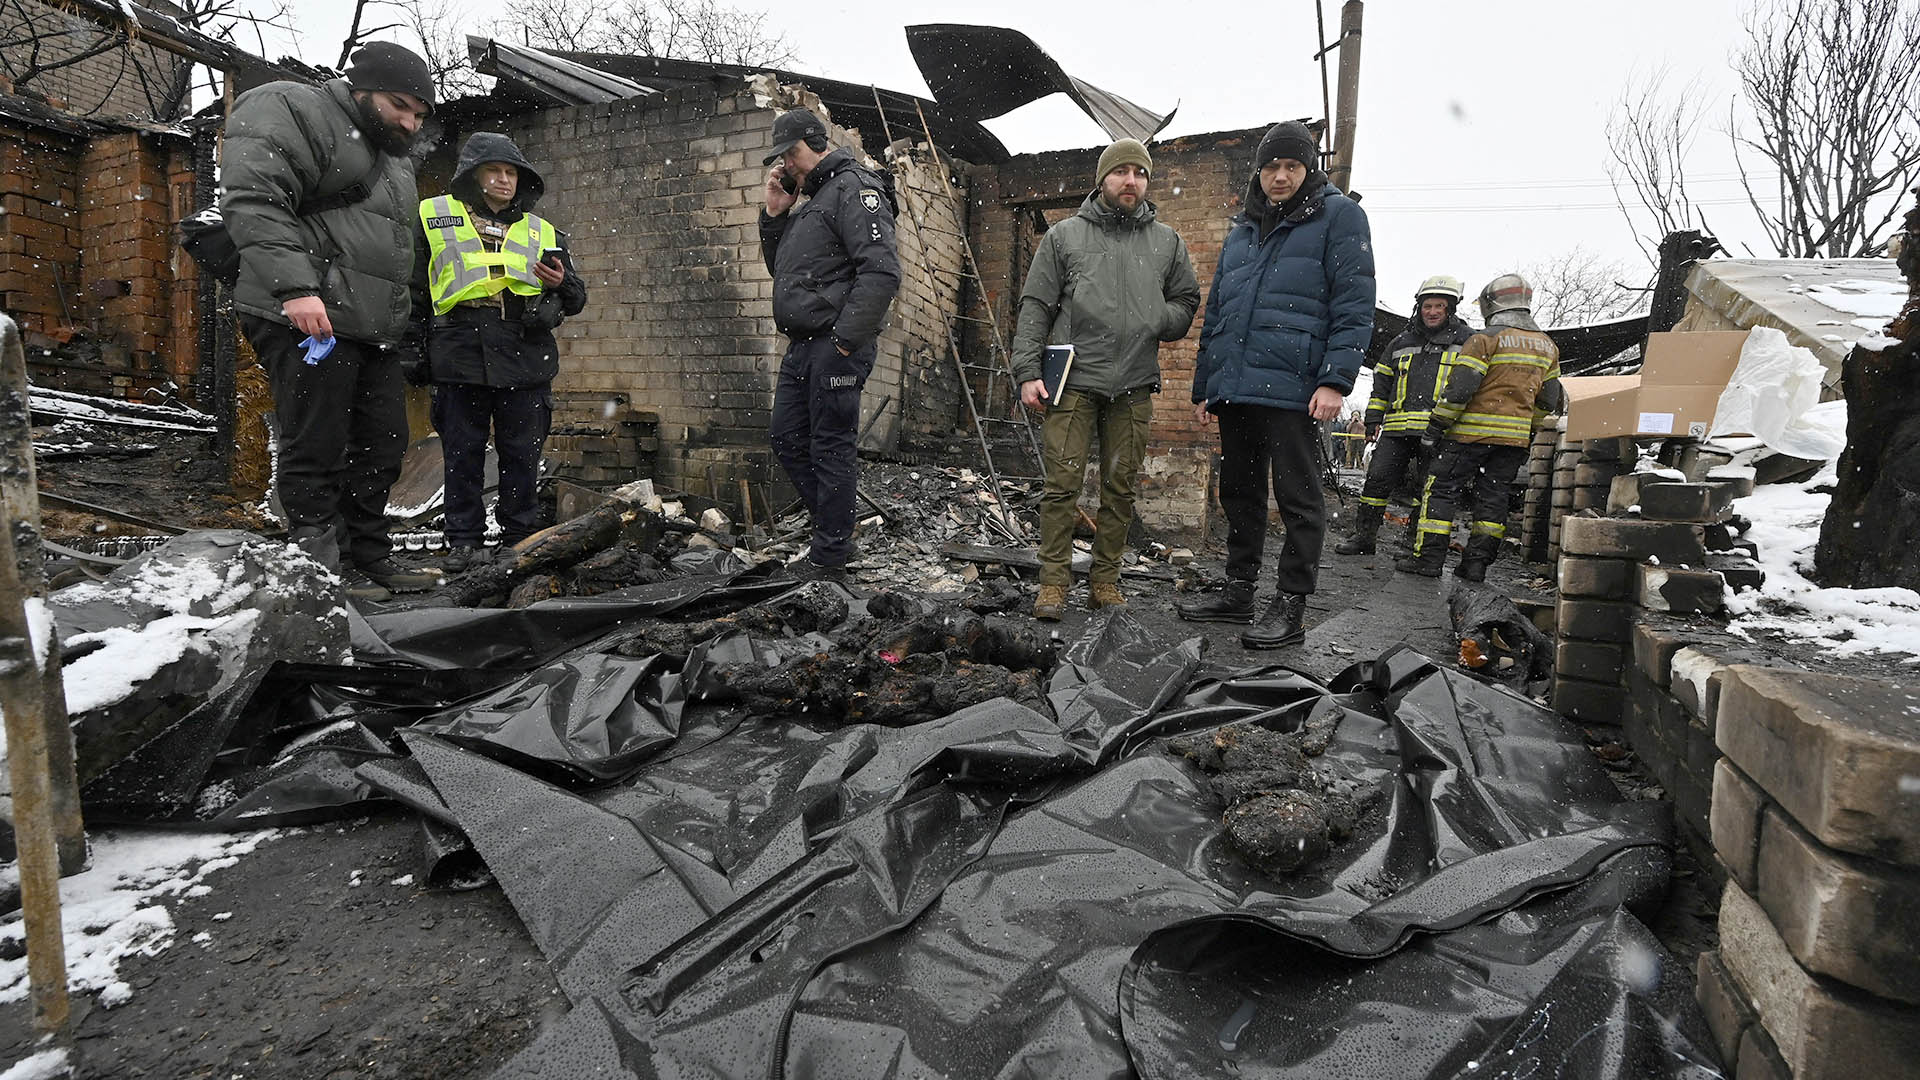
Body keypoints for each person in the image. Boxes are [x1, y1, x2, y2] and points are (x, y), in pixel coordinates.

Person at [222, 42, 439, 600]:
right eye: (399, 105)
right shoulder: (293, 107)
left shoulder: (394, 159)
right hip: (306, 314)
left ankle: (367, 555)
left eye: (419, 114)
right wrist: (296, 288)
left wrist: (405, 325)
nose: (410, 123)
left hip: (371, 327)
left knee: (383, 445)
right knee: (318, 441)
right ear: (360, 89)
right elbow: (255, 197)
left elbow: (395, 251)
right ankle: (319, 568)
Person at [1176, 120, 1376, 648]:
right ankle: (1239, 591)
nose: (1280, 176)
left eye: (1291, 166)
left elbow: (1354, 305)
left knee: (1297, 497)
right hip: (1237, 385)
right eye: (1270, 167)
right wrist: (1205, 385)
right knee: (1239, 492)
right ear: (1259, 172)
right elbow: (1218, 310)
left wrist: (1335, 381)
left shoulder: (1340, 216)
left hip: (1295, 385)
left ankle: (1291, 603)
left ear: (1309, 169)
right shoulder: (1243, 228)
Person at [1012, 138, 1201, 621]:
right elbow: (1035, 305)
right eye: (1121, 172)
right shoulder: (1065, 236)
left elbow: (1186, 301)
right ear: (1102, 180)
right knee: (1062, 486)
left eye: (1140, 173)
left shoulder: (1166, 242)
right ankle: (1053, 584)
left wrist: (1159, 317)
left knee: (1120, 489)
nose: (1130, 181)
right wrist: (1027, 372)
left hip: (1134, 385)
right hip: (1074, 382)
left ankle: (1105, 582)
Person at [405, 132, 588, 572]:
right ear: (473, 175)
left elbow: (577, 297)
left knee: (522, 456)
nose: (505, 180)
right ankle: (463, 543)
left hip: (523, 352)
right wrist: (412, 350)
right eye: (494, 170)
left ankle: (519, 540)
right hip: (459, 349)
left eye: (511, 172)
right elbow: (413, 291)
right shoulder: (434, 218)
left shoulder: (543, 231)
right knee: (461, 454)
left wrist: (560, 286)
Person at [759, 109, 900, 581]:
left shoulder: (854, 188)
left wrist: (844, 342)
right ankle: (834, 533)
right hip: (803, 344)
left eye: (791, 153)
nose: (785, 165)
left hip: (833, 344)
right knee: (786, 438)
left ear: (816, 144)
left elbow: (881, 273)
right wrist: (775, 214)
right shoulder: (813, 201)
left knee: (830, 447)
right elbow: (784, 272)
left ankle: (830, 555)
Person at [1396, 273, 1565, 582]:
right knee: (1494, 499)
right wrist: (1527, 431)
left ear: (1492, 304)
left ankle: (1429, 560)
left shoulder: (1484, 339)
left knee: (1441, 491)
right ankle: (1475, 566)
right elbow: (1548, 400)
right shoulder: (1547, 347)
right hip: (1512, 443)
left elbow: (1460, 391)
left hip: (1468, 436)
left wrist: (1435, 427)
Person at [1335, 275, 1474, 556]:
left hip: (1440, 432)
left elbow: (1469, 385)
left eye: (1439, 306)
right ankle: (1364, 538)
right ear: (1419, 308)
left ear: (1450, 308)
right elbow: (1382, 382)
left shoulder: (1468, 341)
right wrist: (1373, 420)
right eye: (1427, 306)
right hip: (1397, 430)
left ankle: (1413, 546)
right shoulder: (1400, 341)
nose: (1432, 312)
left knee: (1428, 490)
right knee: (1376, 481)